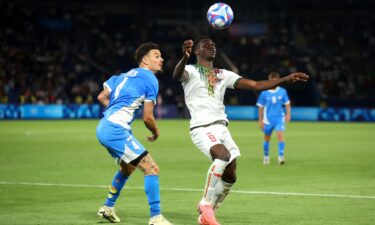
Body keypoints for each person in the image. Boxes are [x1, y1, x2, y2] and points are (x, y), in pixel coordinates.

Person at [172, 36, 308, 225]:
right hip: (202, 126)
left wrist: (285, 79)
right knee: (222, 156)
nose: (212, 46)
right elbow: (176, 75)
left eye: (214, 44)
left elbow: (256, 85)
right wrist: (184, 57)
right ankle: (205, 204)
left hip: (221, 126)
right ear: (196, 51)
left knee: (231, 174)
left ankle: (208, 212)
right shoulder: (190, 70)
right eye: (206, 45)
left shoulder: (223, 74)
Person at [96, 42, 173, 225]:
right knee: (151, 168)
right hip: (116, 129)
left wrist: (115, 112)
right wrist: (156, 131)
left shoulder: (121, 76)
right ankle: (156, 218)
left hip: (105, 125)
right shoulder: (150, 79)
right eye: (156, 55)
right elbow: (147, 118)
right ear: (145, 60)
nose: (161, 59)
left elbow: (101, 96)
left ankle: (108, 207)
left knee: (128, 167)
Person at [257, 72, 291, 165]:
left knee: (280, 135)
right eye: (271, 81)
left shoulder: (282, 91)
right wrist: (260, 120)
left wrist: (288, 115)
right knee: (267, 138)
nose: (273, 83)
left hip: (279, 118)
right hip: (268, 120)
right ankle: (266, 156)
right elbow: (261, 107)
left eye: (274, 81)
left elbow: (287, 103)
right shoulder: (264, 92)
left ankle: (281, 156)